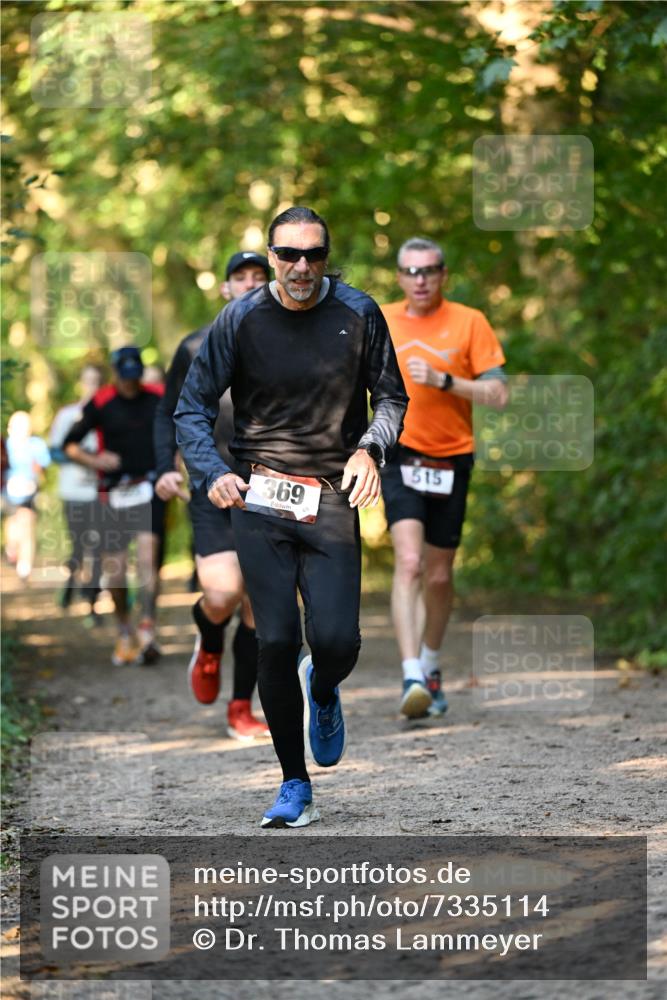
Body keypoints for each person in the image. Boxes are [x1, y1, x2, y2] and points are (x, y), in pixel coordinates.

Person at [175, 207, 407, 828]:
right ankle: (293, 784)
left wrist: (371, 448)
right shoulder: (241, 318)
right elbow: (191, 407)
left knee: (336, 641)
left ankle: (324, 687)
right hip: (261, 497)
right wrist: (214, 472)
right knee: (275, 638)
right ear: (271, 256)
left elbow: (391, 396)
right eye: (288, 255)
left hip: (332, 495)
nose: (301, 267)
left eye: (314, 255)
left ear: (327, 256)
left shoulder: (358, 313)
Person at [381, 237, 508, 719]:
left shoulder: (469, 321)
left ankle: (431, 666)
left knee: (438, 574)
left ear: (442, 274)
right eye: (411, 271)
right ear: (399, 276)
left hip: (453, 457)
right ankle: (411, 673)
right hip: (400, 452)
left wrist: (445, 381)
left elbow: (498, 394)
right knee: (410, 562)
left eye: (429, 270)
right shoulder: (382, 319)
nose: (420, 280)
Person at [154, 251, 271, 742]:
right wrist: (165, 468)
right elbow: (169, 414)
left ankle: (241, 708)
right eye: (238, 278)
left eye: (257, 278)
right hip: (213, 485)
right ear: (224, 289)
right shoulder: (195, 344)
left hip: (272, 488)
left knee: (260, 605)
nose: (248, 285)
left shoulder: (288, 342)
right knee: (224, 593)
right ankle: (208, 637)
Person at [64, 347, 165, 666]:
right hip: (113, 492)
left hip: (149, 488)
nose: (130, 385)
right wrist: (96, 459)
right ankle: (124, 630)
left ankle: (148, 627)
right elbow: (68, 444)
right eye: (125, 378)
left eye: (135, 378)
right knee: (117, 570)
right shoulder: (102, 401)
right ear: (116, 374)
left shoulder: (158, 396)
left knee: (149, 557)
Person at [50, 364, 104, 622]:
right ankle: (71, 585)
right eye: (88, 381)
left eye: (96, 381)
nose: (92, 386)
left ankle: (92, 602)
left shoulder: (107, 415)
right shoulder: (67, 415)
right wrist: (86, 459)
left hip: (99, 491)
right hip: (72, 491)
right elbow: (55, 452)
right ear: (81, 383)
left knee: (98, 545)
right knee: (78, 546)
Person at [4, 410, 51, 582]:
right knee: (13, 525)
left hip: (30, 490)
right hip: (9, 492)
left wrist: (35, 473)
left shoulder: (36, 444)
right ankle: (12, 549)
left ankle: (25, 565)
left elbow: (43, 465)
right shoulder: (6, 445)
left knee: (27, 523)